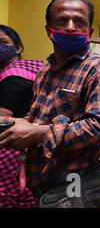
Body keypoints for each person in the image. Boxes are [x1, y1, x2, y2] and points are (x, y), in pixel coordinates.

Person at [0, 0, 100, 208]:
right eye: (62, 20)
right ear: (49, 30)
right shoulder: (45, 71)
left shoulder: (98, 69)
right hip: (43, 185)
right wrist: (20, 124)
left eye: (79, 21)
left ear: (89, 32)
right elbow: (40, 115)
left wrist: (38, 133)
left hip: (75, 184)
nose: (71, 27)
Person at [0, 25, 43, 208]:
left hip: (9, 158)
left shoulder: (13, 77)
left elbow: (1, 120)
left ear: (18, 47)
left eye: (3, 42)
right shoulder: (34, 70)